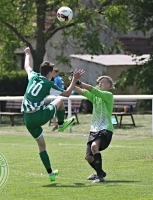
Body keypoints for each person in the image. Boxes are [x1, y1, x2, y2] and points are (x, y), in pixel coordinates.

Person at [21, 47, 84, 182]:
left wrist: (27, 54)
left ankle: (50, 173)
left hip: (27, 119)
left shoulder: (33, 76)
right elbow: (67, 94)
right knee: (60, 100)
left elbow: (26, 65)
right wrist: (74, 79)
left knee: (41, 146)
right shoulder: (48, 84)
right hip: (38, 115)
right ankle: (61, 125)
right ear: (49, 73)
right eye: (53, 72)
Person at [73, 75, 114, 183]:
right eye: (99, 82)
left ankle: (100, 176)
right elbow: (83, 92)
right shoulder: (95, 97)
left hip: (105, 128)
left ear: (109, 85)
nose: (100, 84)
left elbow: (93, 90)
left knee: (94, 147)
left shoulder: (108, 95)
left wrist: (80, 83)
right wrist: (73, 82)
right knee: (89, 158)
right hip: (94, 129)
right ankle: (100, 171)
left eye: (103, 82)